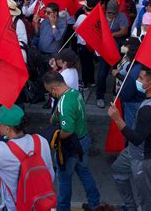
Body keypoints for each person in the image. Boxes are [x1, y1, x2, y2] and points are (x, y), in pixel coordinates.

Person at [108, 66, 151, 211]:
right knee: (118, 171)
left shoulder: (149, 110)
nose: (137, 81)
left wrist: (118, 119)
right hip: (132, 152)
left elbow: (137, 138)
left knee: (146, 199)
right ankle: (131, 207)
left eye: (141, 78)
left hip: (144, 159)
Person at [43, 71, 100, 210]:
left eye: (50, 92)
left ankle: (63, 208)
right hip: (84, 140)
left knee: (63, 179)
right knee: (84, 173)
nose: (51, 95)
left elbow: (67, 130)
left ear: (54, 89)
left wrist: (55, 138)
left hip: (71, 146)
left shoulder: (64, 103)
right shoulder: (75, 93)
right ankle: (95, 204)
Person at [96, 0, 129, 108]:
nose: (110, 14)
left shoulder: (122, 17)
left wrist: (112, 34)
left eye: (113, 13)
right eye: (109, 12)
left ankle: (116, 94)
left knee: (117, 72)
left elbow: (124, 30)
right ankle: (100, 97)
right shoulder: (102, 16)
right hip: (105, 49)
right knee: (101, 74)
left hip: (117, 48)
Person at [113, 37, 145, 128]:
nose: (124, 47)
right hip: (134, 98)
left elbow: (128, 92)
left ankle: (129, 141)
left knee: (130, 126)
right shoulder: (131, 62)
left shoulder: (134, 72)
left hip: (132, 102)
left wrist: (121, 92)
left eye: (126, 46)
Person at [74, 0, 98, 89]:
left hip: (83, 44)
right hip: (92, 44)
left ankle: (84, 83)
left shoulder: (81, 17)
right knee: (90, 62)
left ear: (85, 7)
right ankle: (92, 81)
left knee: (84, 64)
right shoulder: (96, 16)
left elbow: (75, 27)